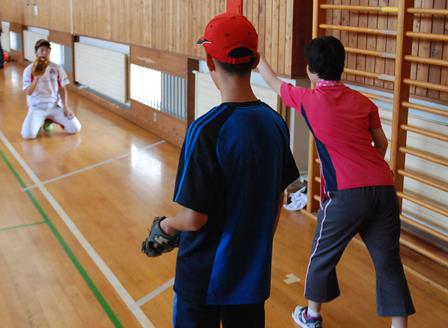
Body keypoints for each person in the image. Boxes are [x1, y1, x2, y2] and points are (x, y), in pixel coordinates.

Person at [141, 13, 299, 328]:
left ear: (210, 62)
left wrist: (167, 227)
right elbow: (278, 198)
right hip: (251, 277)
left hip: (204, 277)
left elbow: (193, 218)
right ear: (255, 61)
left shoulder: (206, 130)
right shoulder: (275, 124)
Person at [257, 35, 415, 328]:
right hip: (383, 188)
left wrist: (258, 56)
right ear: (341, 66)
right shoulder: (364, 102)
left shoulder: (310, 99)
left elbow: (274, 83)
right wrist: (366, 169)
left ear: (310, 71)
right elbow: (381, 144)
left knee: (321, 255)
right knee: (388, 262)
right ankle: (399, 325)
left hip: (347, 194)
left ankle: (312, 316)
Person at [22, 39, 81, 139]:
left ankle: (48, 121)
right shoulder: (29, 70)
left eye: (48, 50)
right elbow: (28, 92)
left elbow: (62, 89)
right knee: (28, 135)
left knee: (75, 128)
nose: (45, 52)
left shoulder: (57, 68)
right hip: (37, 107)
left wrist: (66, 108)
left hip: (55, 106)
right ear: (36, 53)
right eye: (42, 50)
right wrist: (36, 78)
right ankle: (40, 121)